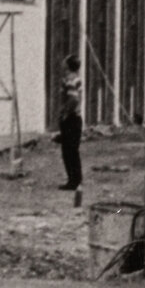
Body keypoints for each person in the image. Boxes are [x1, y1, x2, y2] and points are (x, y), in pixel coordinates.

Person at [57, 54, 84, 190]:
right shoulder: (73, 78)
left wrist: (65, 114)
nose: (62, 62)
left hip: (71, 118)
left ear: (68, 65)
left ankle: (74, 181)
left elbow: (73, 99)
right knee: (71, 150)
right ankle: (75, 179)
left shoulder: (70, 79)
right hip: (74, 118)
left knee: (69, 151)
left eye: (65, 61)